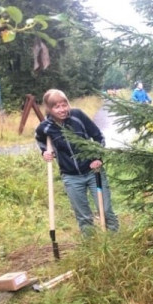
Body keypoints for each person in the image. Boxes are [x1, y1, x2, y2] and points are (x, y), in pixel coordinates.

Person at [35, 89, 119, 234]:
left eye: (64, 105)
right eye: (57, 107)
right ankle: (90, 244)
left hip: (93, 172)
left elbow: (98, 137)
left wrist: (98, 158)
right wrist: (45, 152)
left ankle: (114, 239)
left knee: (105, 210)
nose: (62, 109)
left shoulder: (78, 116)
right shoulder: (46, 127)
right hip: (71, 176)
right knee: (83, 216)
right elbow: (40, 139)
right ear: (49, 108)